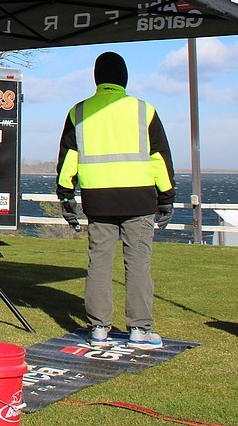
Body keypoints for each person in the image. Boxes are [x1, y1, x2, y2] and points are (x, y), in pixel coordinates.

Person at [56, 51, 176, 349]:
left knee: (99, 262)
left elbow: (68, 161)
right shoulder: (143, 110)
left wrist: (65, 196)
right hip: (139, 199)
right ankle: (139, 329)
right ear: (124, 78)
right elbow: (159, 158)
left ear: (96, 77)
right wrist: (167, 198)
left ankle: (98, 329)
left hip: (98, 200)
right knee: (138, 264)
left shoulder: (79, 112)